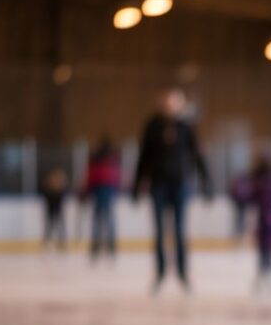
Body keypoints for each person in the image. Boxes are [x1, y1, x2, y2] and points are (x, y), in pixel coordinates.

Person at [133, 88, 212, 294]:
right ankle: (159, 274)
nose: (170, 105)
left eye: (175, 102)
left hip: (180, 184)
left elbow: (197, 156)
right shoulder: (152, 126)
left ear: (181, 104)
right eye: (167, 101)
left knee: (179, 231)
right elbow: (143, 157)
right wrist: (136, 185)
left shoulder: (187, 127)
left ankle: (183, 274)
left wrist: (206, 182)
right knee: (159, 231)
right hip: (158, 184)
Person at [243, 154, 271, 292]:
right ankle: (266, 274)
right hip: (268, 220)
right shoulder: (269, 183)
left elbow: (250, 197)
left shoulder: (261, 183)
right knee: (266, 249)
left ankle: (267, 274)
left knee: (266, 249)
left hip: (267, 220)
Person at [83, 136, 122, 262]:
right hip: (108, 189)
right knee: (107, 218)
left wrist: (87, 191)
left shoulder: (97, 158)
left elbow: (91, 175)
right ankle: (109, 247)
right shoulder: (112, 158)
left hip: (100, 189)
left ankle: (98, 246)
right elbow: (117, 176)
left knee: (99, 219)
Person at [40, 167, 69, 252]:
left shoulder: (61, 191)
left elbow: (63, 196)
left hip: (58, 211)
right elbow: (45, 196)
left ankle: (61, 243)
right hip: (50, 211)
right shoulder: (48, 191)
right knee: (49, 227)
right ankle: (47, 243)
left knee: (60, 227)